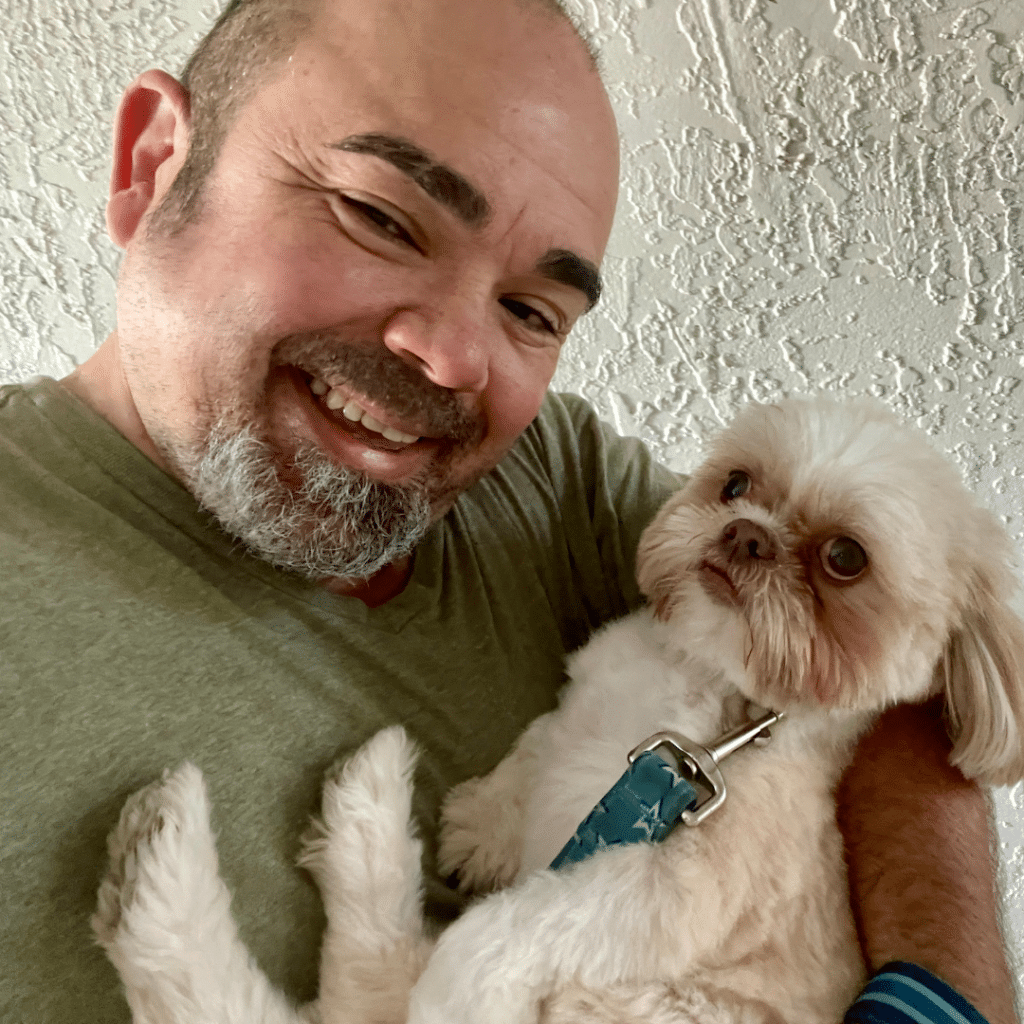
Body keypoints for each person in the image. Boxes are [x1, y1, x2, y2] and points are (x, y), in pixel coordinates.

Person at [0, 0, 1016, 1021]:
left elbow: (886, 672)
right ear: (154, 162)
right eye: (382, 216)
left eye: (532, 310)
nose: (451, 356)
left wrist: (933, 1002)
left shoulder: (552, 477)